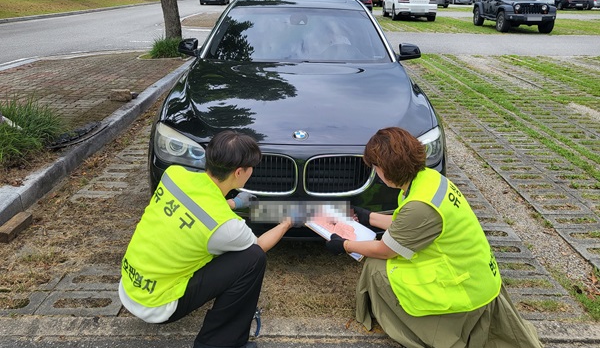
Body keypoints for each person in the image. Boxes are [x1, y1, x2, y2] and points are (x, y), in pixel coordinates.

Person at [325, 127, 543, 348]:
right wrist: (368, 217)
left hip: (464, 290)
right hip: (475, 275)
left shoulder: (420, 205)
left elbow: (386, 249)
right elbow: (409, 226)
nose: (374, 171)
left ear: (387, 169)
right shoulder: (430, 180)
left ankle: (423, 331)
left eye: (376, 167)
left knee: (378, 268)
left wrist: (344, 244)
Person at [119, 130, 292, 348]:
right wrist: (285, 223)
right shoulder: (226, 227)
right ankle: (218, 343)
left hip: (129, 285)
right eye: (251, 169)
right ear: (239, 172)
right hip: (157, 305)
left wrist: (234, 204)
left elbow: (194, 206)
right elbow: (257, 246)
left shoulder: (174, 174)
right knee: (253, 259)